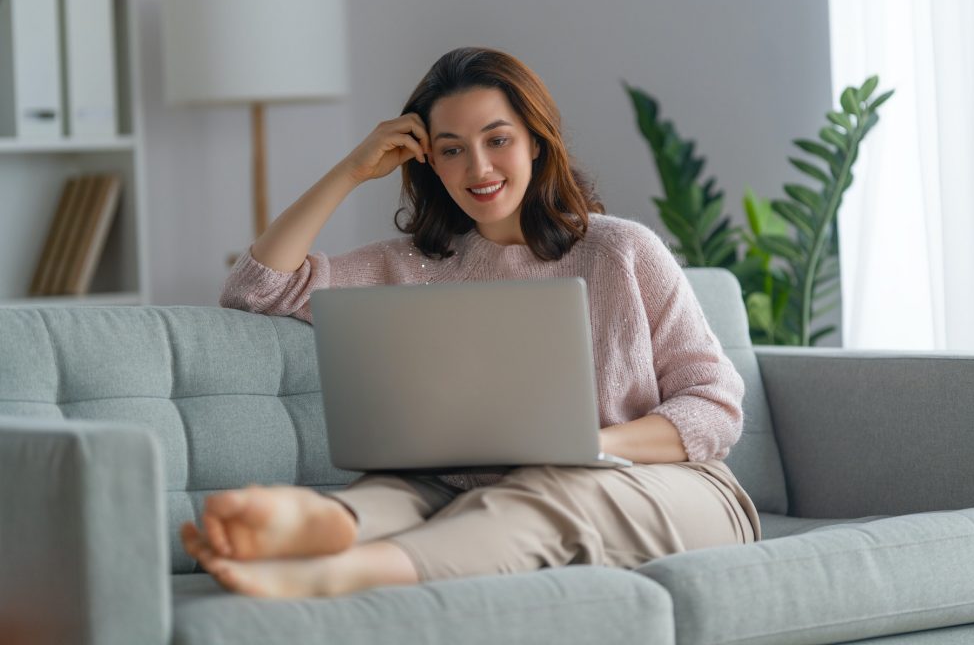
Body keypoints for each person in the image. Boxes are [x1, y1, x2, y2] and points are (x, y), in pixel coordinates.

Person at [181, 46, 762, 599]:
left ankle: (348, 573)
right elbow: (256, 288)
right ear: (428, 159)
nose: (477, 167)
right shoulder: (411, 264)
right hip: (469, 484)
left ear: (537, 142)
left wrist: (589, 445)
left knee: (549, 489)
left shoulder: (621, 251)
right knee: (395, 491)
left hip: (672, 486)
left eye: (497, 139)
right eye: (452, 148)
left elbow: (715, 405)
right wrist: (351, 171)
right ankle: (314, 528)